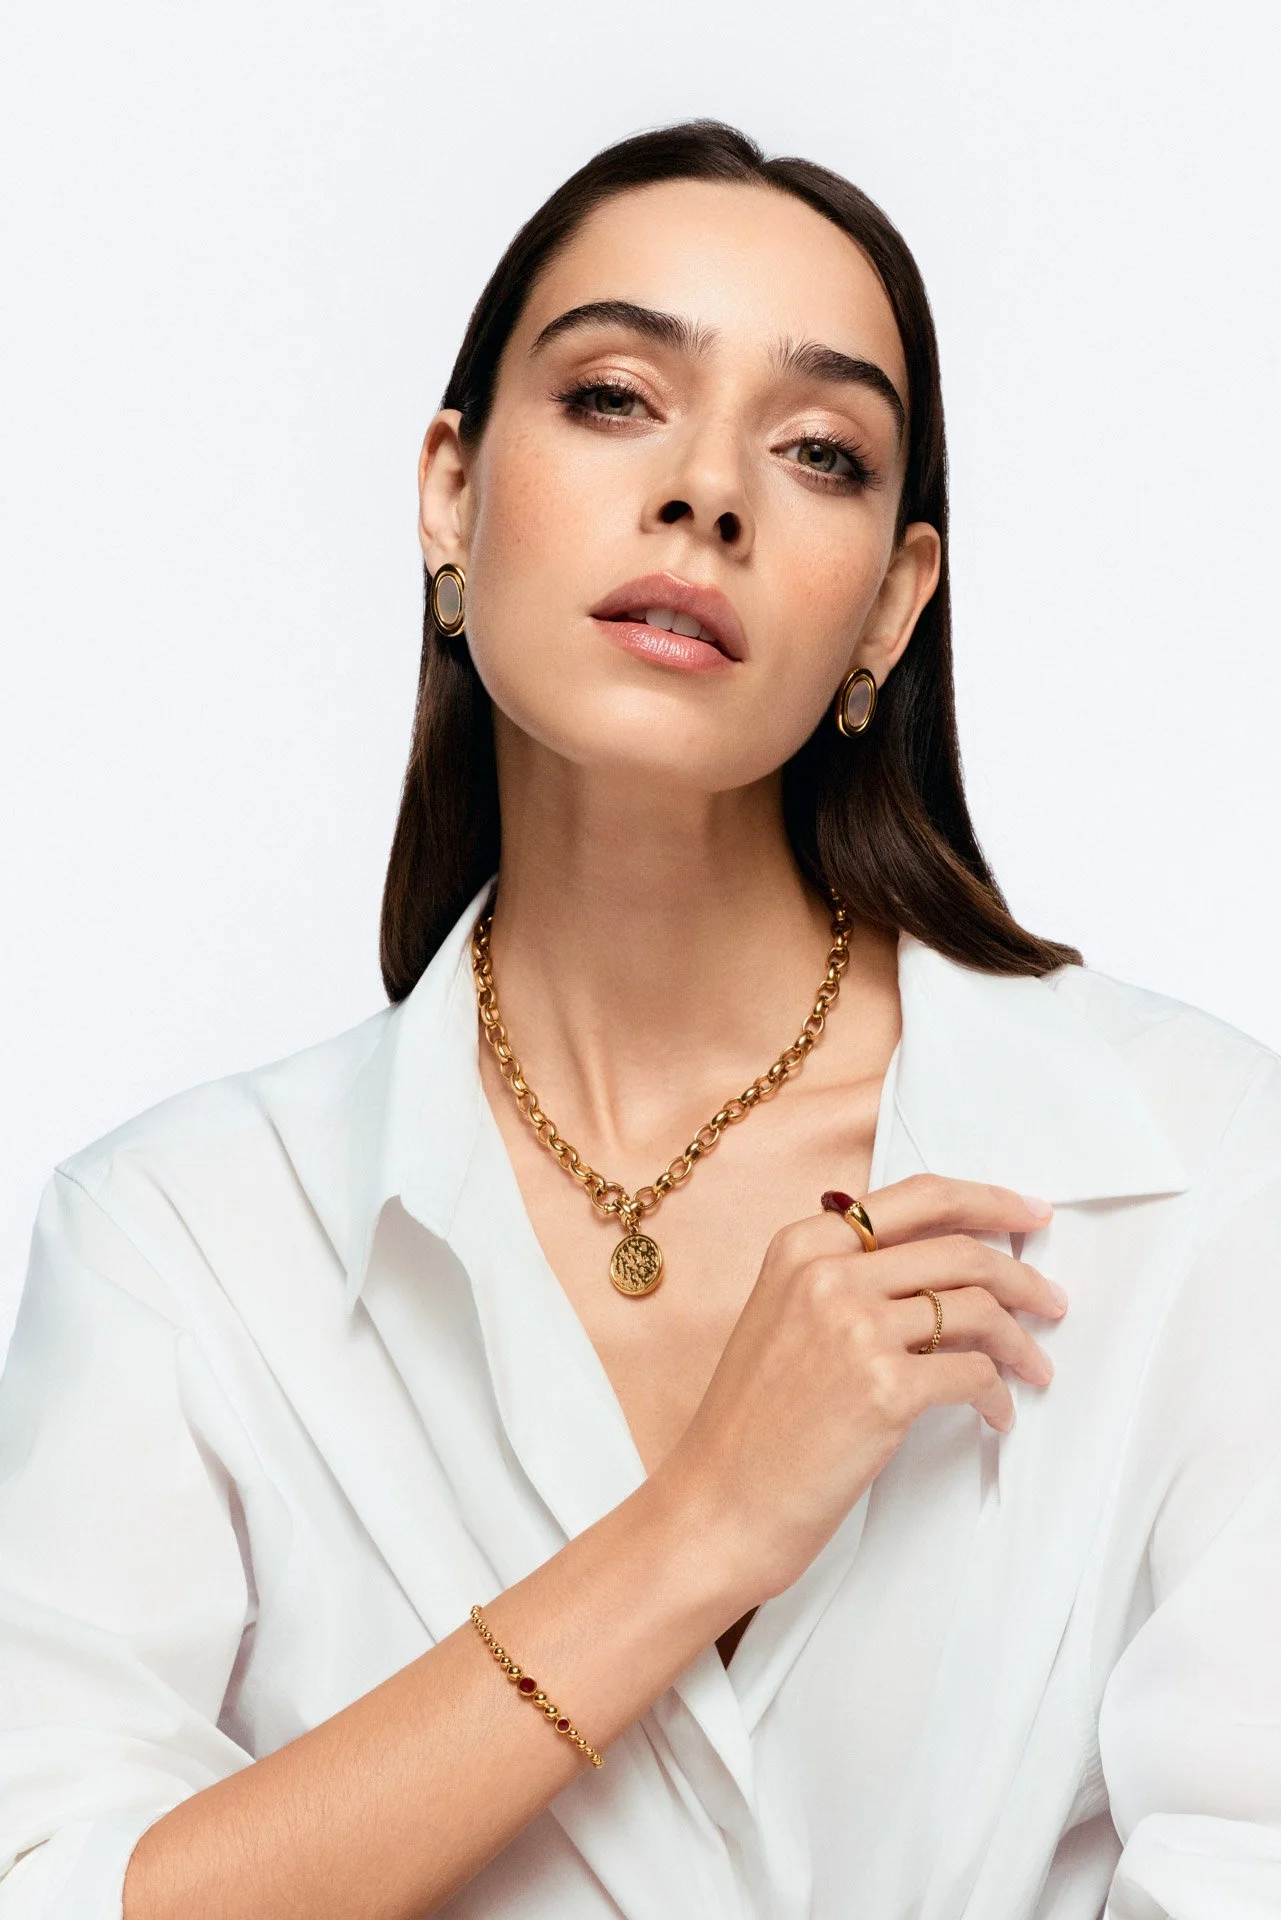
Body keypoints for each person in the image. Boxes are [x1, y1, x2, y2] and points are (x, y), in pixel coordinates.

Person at [1, 117, 1277, 1920]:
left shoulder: (1198, 1172)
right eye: (615, 396)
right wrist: (700, 1532)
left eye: (820, 450)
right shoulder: (182, 1242)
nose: (709, 492)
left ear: (888, 611)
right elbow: (68, 1891)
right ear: (451, 489)